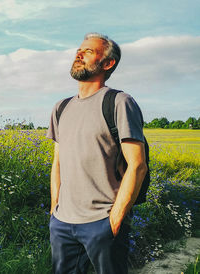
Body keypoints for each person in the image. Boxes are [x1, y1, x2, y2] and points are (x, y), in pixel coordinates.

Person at [46, 33, 148, 273]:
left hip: (102, 222)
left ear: (107, 63)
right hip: (63, 223)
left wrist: (115, 220)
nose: (79, 54)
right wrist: (55, 210)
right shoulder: (61, 108)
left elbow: (137, 166)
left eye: (89, 51)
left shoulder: (119, 102)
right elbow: (57, 162)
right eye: (79, 50)